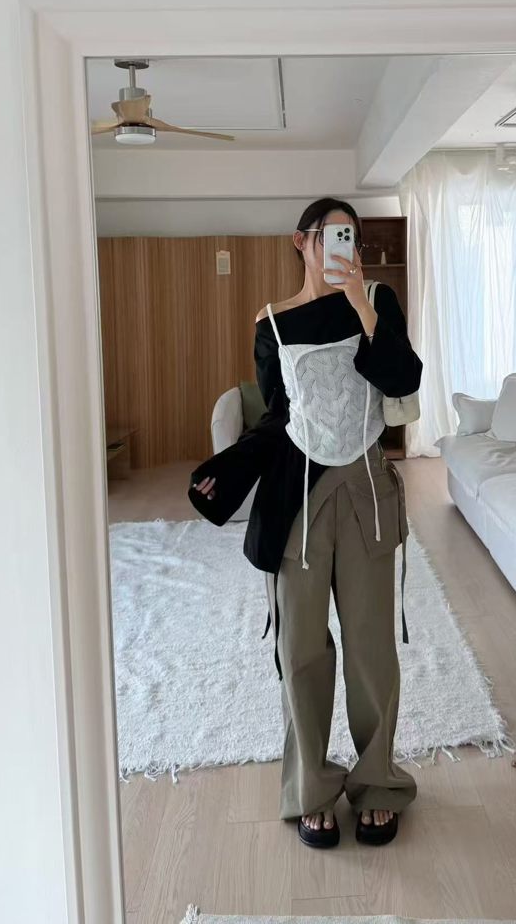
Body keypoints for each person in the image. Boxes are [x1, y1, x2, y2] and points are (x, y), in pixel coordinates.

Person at [188, 197, 423, 849]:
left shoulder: (376, 299)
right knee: (301, 651)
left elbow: (402, 378)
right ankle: (311, 789)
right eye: (331, 235)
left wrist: (362, 308)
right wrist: (229, 468)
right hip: (297, 496)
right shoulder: (271, 322)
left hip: (367, 488)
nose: (343, 246)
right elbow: (278, 417)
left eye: (352, 237)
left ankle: (377, 784)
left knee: (372, 649)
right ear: (301, 241)